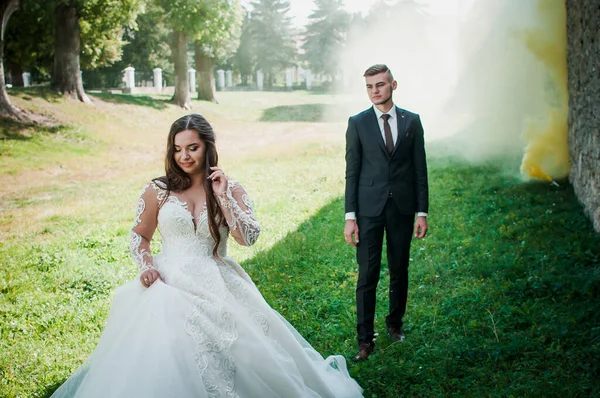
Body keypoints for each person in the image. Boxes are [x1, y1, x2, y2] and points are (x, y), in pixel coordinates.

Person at [51, 114, 363, 398]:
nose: (184, 156)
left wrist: (223, 195)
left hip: (218, 279)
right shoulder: (158, 190)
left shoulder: (230, 188)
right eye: (177, 149)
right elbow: (140, 236)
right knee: (174, 347)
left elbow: (247, 238)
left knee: (246, 350)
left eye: (192, 148)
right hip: (170, 281)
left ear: (208, 148)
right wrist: (146, 266)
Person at [344, 64, 429, 362]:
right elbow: (351, 173)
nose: (374, 91)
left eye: (380, 85)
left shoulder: (411, 122)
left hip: (402, 209)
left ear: (394, 84)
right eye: (369, 87)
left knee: (399, 269)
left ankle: (395, 324)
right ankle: (365, 340)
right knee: (367, 275)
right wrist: (350, 217)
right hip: (368, 210)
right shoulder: (358, 123)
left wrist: (422, 212)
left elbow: (420, 170)